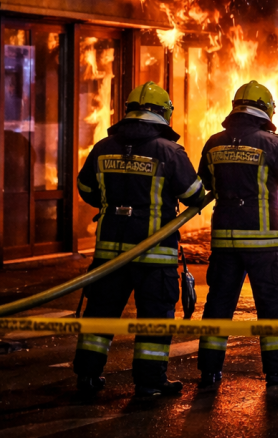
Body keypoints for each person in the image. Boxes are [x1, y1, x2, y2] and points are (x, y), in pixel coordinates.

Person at [73, 82, 204, 397]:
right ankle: (149, 382)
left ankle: (87, 378)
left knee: (100, 316)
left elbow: (86, 189)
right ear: (163, 113)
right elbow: (194, 195)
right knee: (154, 320)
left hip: (109, 254)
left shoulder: (104, 147)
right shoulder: (170, 151)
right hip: (154, 256)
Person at [196, 80, 278, 389]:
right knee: (271, 307)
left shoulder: (214, 142)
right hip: (263, 244)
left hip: (224, 242)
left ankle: (209, 371)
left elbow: (204, 182)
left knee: (218, 307)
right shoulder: (271, 144)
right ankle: (277, 372)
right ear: (267, 110)